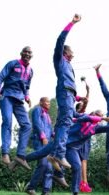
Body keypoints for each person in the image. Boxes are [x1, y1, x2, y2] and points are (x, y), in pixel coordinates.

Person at [47, 13, 87, 171]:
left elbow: (68, 84)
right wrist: (72, 23)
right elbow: (60, 40)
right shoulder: (59, 59)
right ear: (65, 52)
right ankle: (59, 154)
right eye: (71, 52)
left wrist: (78, 97)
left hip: (69, 95)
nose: (73, 54)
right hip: (64, 94)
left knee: (62, 123)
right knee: (65, 123)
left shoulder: (69, 66)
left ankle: (55, 154)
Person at [0, 46, 33, 170]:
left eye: (29, 52)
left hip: (19, 100)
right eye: (25, 52)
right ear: (21, 53)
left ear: (32, 55)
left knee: (27, 125)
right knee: (7, 121)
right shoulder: (12, 64)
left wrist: (27, 97)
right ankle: (5, 153)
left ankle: (20, 156)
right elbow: (0, 78)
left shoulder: (31, 71)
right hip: (6, 96)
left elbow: (26, 86)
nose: (27, 54)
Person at [25, 97, 54, 195]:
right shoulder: (37, 110)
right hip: (39, 140)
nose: (48, 104)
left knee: (49, 166)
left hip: (48, 142)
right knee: (42, 163)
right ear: (41, 102)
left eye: (49, 102)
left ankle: (46, 191)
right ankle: (31, 188)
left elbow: (50, 128)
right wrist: (43, 137)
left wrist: (55, 136)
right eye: (46, 102)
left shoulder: (47, 115)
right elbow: (37, 124)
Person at [76, 78, 92, 192]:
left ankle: (83, 183)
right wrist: (88, 91)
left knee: (83, 161)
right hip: (80, 139)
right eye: (81, 105)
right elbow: (86, 101)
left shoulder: (82, 114)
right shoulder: (78, 114)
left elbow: (85, 101)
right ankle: (83, 184)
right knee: (81, 162)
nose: (84, 106)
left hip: (86, 139)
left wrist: (87, 90)